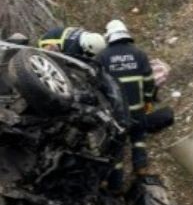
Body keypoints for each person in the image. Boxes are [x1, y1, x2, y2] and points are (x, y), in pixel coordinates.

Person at [96, 19, 157, 194]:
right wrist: (148, 101)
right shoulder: (139, 54)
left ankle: (115, 186)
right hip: (137, 110)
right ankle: (141, 171)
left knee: (117, 149)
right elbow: (149, 82)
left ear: (109, 36)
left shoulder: (102, 57)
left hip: (116, 115)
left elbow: (98, 87)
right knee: (138, 140)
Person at [38, 26, 105, 60]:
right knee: (60, 60)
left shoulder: (85, 36)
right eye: (90, 54)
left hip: (57, 32)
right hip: (48, 41)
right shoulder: (73, 49)